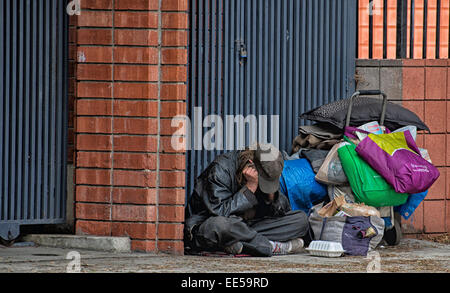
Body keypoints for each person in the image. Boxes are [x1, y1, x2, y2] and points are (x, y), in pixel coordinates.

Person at [184, 143, 310, 257]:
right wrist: (249, 189)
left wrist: (271, 196)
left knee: (301, 219)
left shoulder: (269, 169)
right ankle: (269, 246)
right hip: (210, 227)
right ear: (251, 163)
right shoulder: (220, 170)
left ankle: (243, 245)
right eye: (264, 181)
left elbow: (284, 211)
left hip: (244, 228)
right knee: (221, 225)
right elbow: (220, 213)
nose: (266, 185)